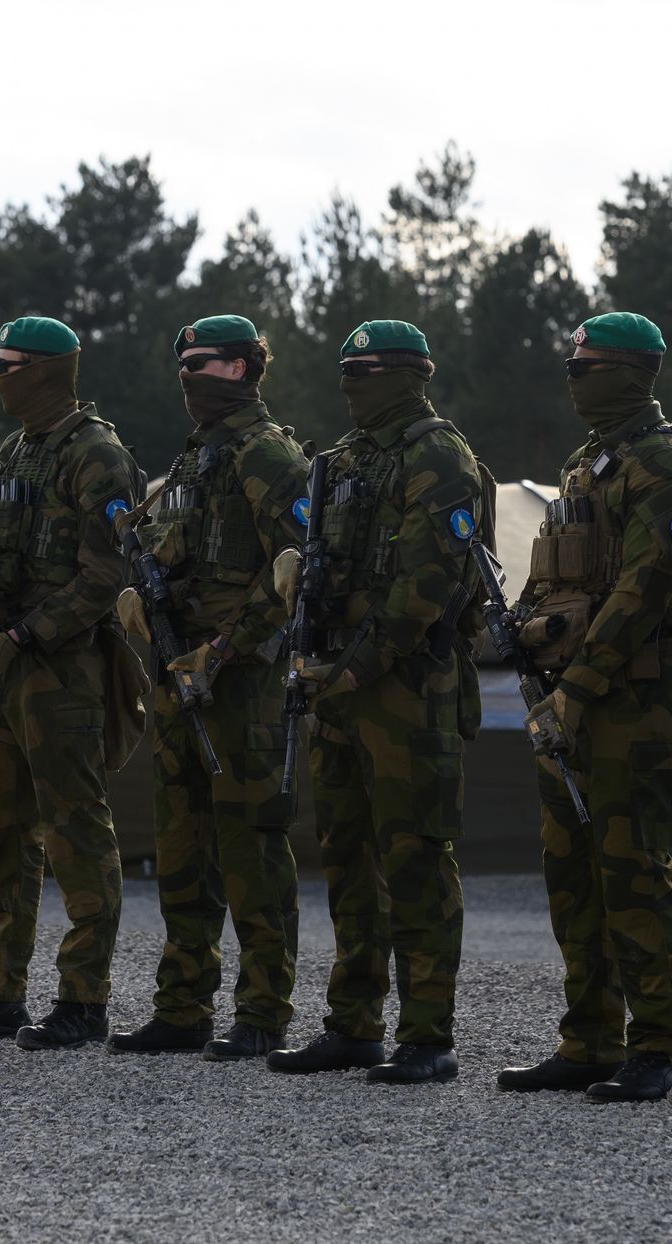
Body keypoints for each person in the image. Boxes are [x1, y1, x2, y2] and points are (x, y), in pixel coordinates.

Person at [494, 312, 672, 1103]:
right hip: (570, 698)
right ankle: (588, 1039)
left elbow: (644, 591)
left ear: (626, 372)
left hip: (635, 701)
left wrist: (577, 691)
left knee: (633, 870)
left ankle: (655, 1045)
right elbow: (560, 575)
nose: (574, 378)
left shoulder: (666, 463)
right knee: (573, 870)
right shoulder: (587, 464)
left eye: (586, 366)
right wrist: (524, 628)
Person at [265, 319, 484, 1085]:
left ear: (407, 375)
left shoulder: (439, 455)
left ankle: (427, 1033)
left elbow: (427, 585)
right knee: (348, 858)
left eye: (367, 371)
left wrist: (355, 669)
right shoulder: (343, 460)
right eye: (346, 370)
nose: (352, 383)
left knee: (416, 859)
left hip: (406, 691)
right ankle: (353, 1023)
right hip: (337, 688)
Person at [0, 317, 140, 1050]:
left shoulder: (97, 454)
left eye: (8, 364)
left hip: (59, 672)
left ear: (44, 371)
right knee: (2, 833)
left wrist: (24, 635)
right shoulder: (16, 451)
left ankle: (83, 998)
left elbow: (107, 575)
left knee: (76, 832)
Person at [109, 314, 308, 1060]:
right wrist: (143, 602)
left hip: (241, 683)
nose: (189, 374)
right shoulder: (195, 460)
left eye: (205, 362)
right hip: (176, 672)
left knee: (251, 847)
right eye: (184, 362)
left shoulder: (267, 454)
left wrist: (222, 651)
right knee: (181, 845)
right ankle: (182, 1005)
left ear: (244, 368)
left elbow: (295, 569)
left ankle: (263, 1009)